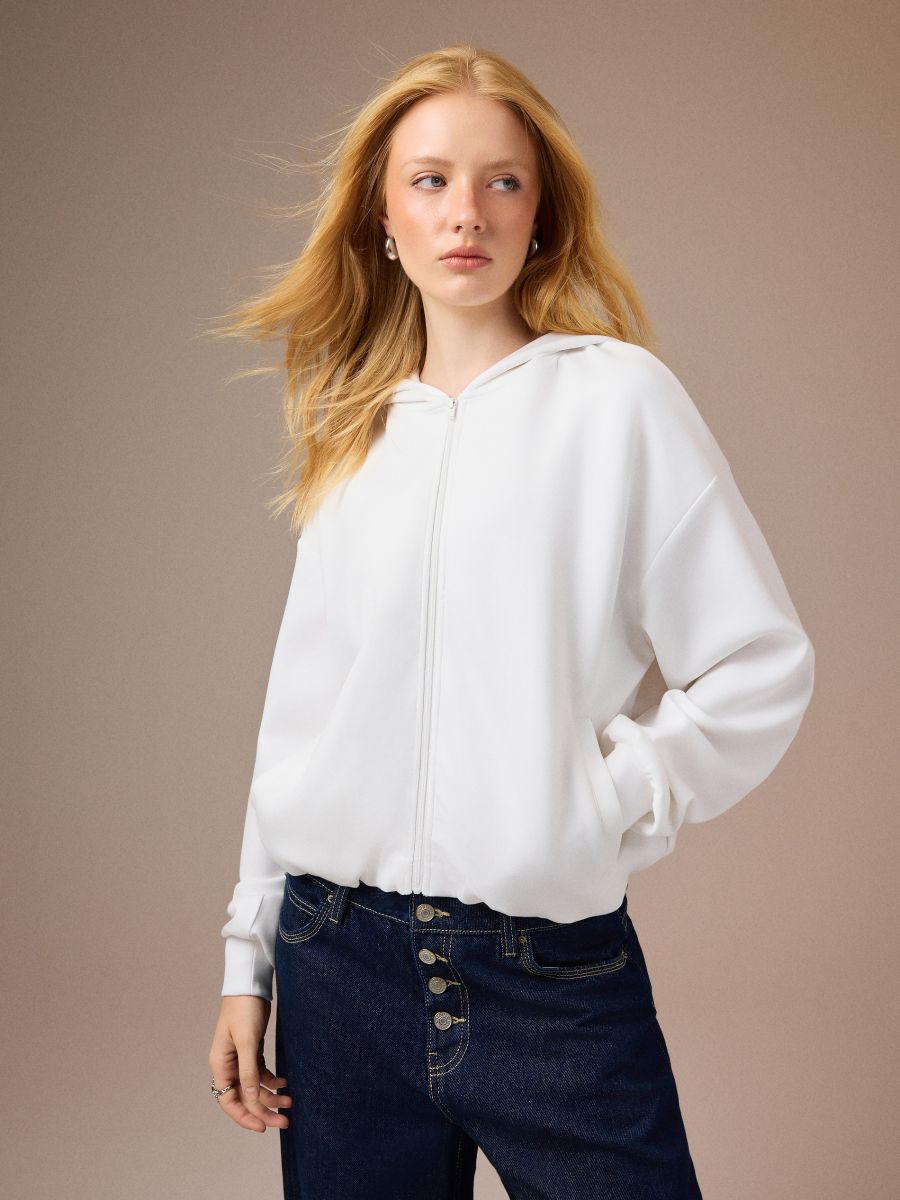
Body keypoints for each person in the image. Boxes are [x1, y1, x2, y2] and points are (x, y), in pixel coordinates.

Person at [206, 43, 815, 1200]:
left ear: (541, 215)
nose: (467, 213)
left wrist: (608, 800)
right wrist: (249, 959)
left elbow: (762, 664)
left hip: (548, 979)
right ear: (383, 217)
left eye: (503, 181)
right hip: (337, 971)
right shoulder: (354, 429)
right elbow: (300, 721)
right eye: (430, 180)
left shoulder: (619, 401)